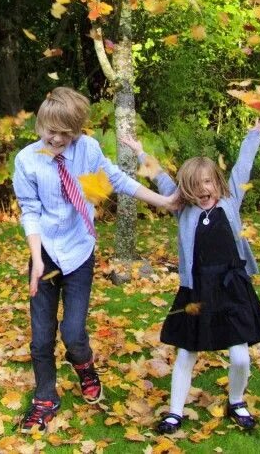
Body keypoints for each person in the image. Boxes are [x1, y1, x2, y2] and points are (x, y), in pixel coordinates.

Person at [12, 87, 179, 433]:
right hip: (43, 254)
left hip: (78, 251)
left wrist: (162, 202)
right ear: (40, 124)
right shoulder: (27, 160)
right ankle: (45, 398)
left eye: (65, 133)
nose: (56, 138)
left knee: (73, 332)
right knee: (41, 336)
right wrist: (35, 258)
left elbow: (115, 180)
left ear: (76, 131)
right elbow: (29, 210)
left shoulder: (87, 150)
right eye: (50, 130)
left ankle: (84, 364)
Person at [123, 118, 260, 434]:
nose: (203, 189)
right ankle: (175, 413)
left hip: (232, 288)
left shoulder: (231, 200)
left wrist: (253, 134)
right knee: (186, 352)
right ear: (186, 191)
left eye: (208, 182)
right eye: (194, 185)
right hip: (197, 290)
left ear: (217, 182)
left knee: (240, 357)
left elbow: (243, 166)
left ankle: (237, 402)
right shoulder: (184, 209)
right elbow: (160, 177)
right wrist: (139, 151)